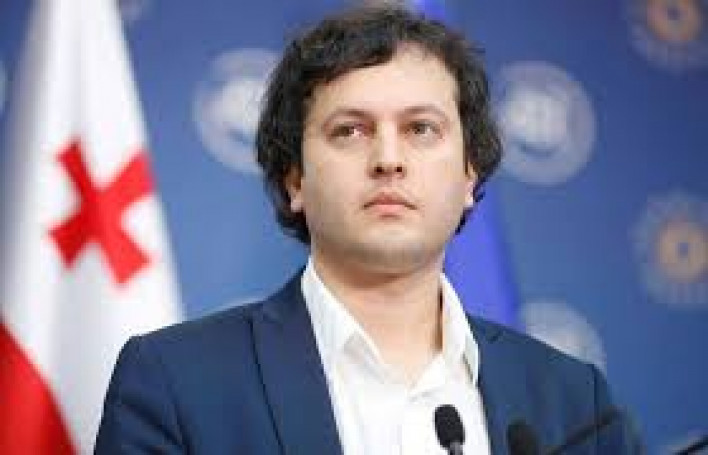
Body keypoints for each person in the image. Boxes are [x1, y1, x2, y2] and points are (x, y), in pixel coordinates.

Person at [95, 5, 638, 454]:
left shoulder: (573, 402)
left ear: (469, 177)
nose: (388, 159)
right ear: (295, 180)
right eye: (350, 131)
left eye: (421, 128)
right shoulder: (176, 382)